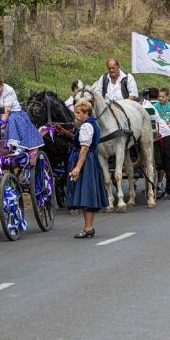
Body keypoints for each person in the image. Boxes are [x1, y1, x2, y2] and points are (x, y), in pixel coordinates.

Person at [66, 101, 108, 238]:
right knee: (86, 192)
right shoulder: (90, 124)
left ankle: (88, 227)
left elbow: (84, 148)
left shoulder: (87, 126)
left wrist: (77, 167)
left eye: (78, 112)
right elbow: (81, 141)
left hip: (86, 162)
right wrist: (66, 133)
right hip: (88, 160)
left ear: (86, 113)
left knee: (87, 193)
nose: (75, 114)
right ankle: (88, 227)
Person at [0, 74, 45, 154]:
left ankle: (16, 146)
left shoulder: (9, 91)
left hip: (14, 114)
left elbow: (6, 110)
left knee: (11, 119)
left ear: (2, 86)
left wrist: (1, 123)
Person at [143, 88, 170, 197]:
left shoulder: (148, 106)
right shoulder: (151, 106)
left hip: (164, 133)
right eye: (159, 96)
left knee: (169, 162)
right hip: (158, 133)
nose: (160, 98)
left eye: (162, 96)